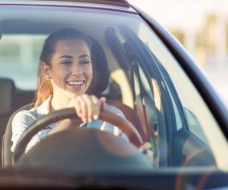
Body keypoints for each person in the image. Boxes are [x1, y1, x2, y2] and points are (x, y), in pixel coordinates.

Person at [11, 28, 154, 164]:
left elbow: (129, 169)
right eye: (66, 62)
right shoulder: (26, 120)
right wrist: (70, 121)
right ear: (47, 71)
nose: (78, 72)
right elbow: (26, 166)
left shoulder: (113, 117)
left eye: (84, 61)